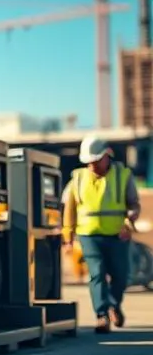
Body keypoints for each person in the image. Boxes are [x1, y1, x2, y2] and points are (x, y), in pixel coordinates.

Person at [61, 135, 140, 333]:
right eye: (89, 162)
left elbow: (134, 204)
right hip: (89, 235)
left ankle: (114, 304)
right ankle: (101, 315)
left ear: (107, 156)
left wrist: (129, 222)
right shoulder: (77, 178)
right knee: (96, 274)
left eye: (96, 161)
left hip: (117, 235)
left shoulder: (123, 175)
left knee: (120, 276)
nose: (92, 166)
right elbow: (69, 209)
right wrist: (68, 236)